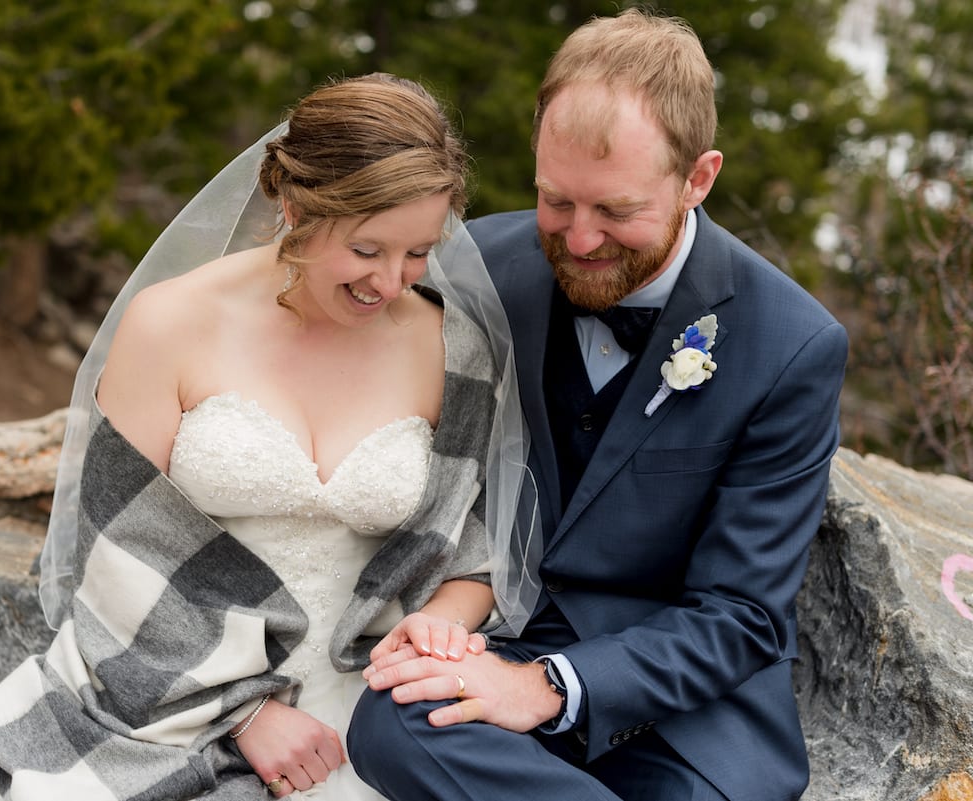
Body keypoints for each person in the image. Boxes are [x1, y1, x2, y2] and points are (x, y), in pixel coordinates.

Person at [0, 74, 538, 801]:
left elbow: (473, 545)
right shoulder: (171, 322)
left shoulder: (451, 347)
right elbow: (119, 550)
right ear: (295, 207)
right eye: (367, 248)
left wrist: (439, 623)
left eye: (418, 251)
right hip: (167, 681)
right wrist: (243, 711)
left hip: (370, 694)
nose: (390, 282)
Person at [348, 10, 849, 801]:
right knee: (391, 720)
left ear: (698, 178)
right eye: (556, 201)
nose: (579, 240)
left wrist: (548, 685)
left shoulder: (792, 343)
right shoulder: (474, 270)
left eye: (615, 211)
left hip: (684, 719)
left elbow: (741, 612)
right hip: (494, 645)